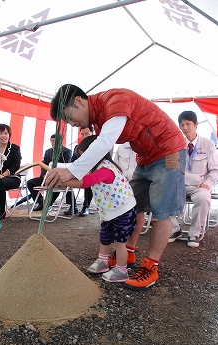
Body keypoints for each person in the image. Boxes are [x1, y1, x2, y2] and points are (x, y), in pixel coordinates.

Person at [46, 84, 187, 290]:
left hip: (169, 150)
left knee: (161, 212)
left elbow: (104, 143)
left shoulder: (115, 100)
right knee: (133, 204)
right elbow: (101, 152)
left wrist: (73, 170)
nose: (73, 124)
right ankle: (127, 253)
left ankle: (151, 266)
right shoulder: (98, 119)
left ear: (78, 101)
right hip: (145, 157)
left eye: (69, 117)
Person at [63, 135, 137, 282]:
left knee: (120, 242)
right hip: (109, 212)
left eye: (86, 157)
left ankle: (121, 271)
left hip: (123, 210)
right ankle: (103, 262)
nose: (84, 161)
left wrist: (64, 180)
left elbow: (87, 182)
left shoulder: (105, 169)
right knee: (105, 237)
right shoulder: (96, 167)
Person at [168, 111, 218, 248]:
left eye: (188, 124)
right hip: (180, 185)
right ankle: (175, 230)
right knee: (162, 196)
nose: (185, 128)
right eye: (182, 125)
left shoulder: (208, 144)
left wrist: (208, 184)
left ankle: (194, 234)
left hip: (199, 186)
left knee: (203, 198)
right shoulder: (176, 145)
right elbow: (170, 168)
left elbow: (215, 169)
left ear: (196, 124)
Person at [27, 134, 74, 212]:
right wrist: (43, 174)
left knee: (59, 185)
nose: (53, 143)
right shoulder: (48, 151)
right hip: (47, 176)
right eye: (52, 141)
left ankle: (51, 204)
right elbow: (43, 164)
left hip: (60, 177)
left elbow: (67, 165)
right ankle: (41, 202)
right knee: (30, 183)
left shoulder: (66, 151)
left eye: (55, 141)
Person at [0, 124, 21, 220]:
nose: (3, 136)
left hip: (13, 178)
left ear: (9, 135)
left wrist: (3, 175)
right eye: (0, 133)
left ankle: (1, 211)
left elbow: (16, 165)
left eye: (6, 133)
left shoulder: (15, 148)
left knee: (0, 182)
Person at [70, 126, 95, 217]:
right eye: (82, 134)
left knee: (89, 180)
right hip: (79, 172)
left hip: (93, 173)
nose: (84, 136)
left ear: (92, 133)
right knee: (66, 180)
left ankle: (86, 206)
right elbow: (72, 162)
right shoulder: (77, 147)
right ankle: (72, 206)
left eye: (87, 134)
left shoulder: (97, 146)